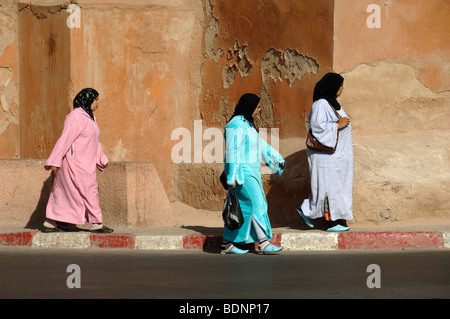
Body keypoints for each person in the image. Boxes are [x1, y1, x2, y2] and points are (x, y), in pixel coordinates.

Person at [221, 93, 286, 254]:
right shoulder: (235, 125)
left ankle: (227, 243)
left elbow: (260, 145)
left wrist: (277, 159)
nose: (260, 109)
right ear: (249, 106)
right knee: (258, 204)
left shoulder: (247, 124)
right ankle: (263, 242)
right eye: (257, 106)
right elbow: (232, 151)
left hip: (251, 172)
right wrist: (232, 176)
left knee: (244, 208)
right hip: (242, 173)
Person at [43, 88, 113, 233]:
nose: (98, 103)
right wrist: (55, 161)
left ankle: (52, 223)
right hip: (73, 164)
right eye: (96, 100)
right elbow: (65, 139)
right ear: (88, 100)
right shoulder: (76, 117)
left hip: (85, 163)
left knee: (67, 193)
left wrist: (102, 158)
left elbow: (94, 142)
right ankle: (97, 223)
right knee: (89, 191)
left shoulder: (90, 118)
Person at [297, 73, 354, 232]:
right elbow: (317, 127)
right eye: (340, 85)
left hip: (335, 157)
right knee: (327, 188)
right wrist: (338, 125)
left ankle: (314, 211)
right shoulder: (321, 104)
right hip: (324, 157)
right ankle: (330, 222)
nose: (342, 88)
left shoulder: (333, 104)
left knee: (333, 187)